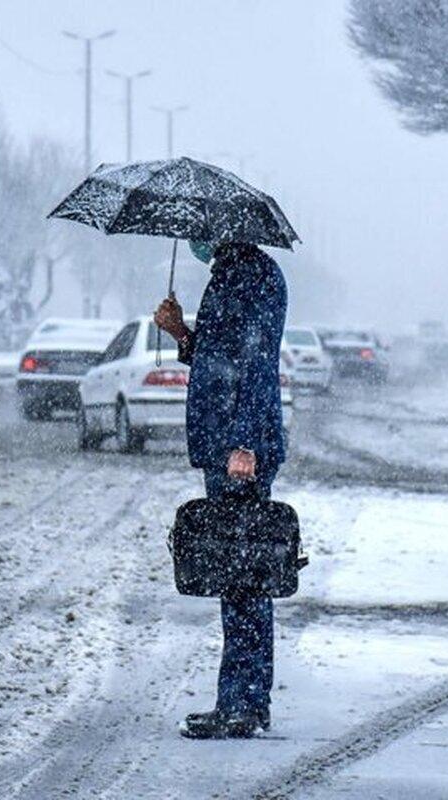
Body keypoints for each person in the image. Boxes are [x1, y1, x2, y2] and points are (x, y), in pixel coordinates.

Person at [153, 239, 287, 739]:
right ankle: (243, 701)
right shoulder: (232, 273)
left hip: (238, 451)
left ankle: (242, 704)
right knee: (239, 575)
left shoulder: (250, 274)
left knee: (244, 578)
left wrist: (244, 443)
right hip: (227, 445)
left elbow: (255, 361)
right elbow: (218, 357)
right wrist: (181, 333)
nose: (194, 241)